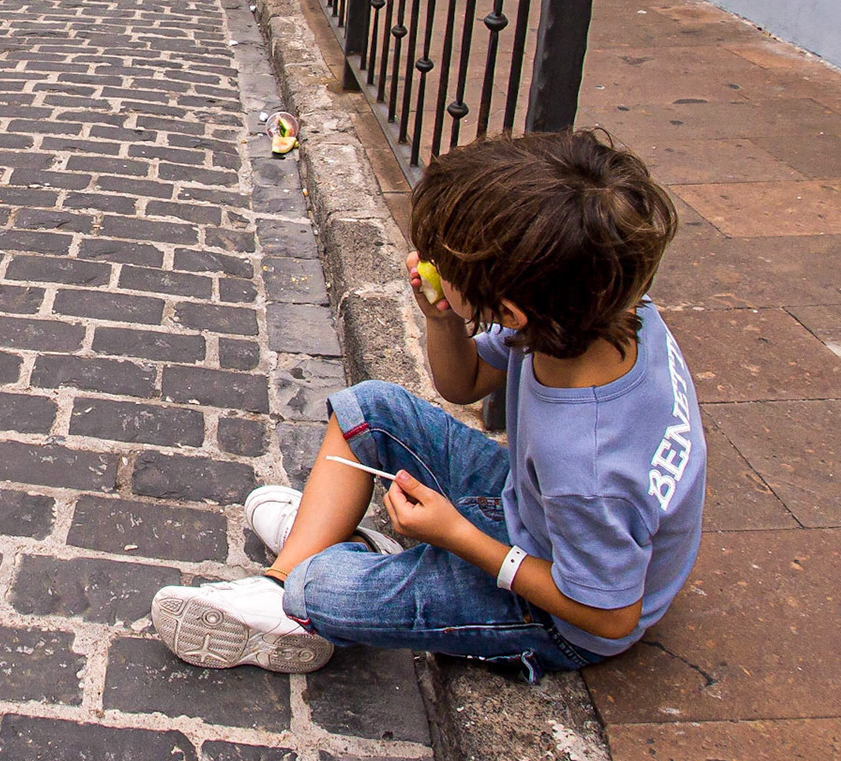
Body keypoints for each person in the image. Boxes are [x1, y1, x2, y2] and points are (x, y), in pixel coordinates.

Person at [150, 130, 701, 684]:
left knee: (322, 588)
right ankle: (296, 564)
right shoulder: (599, 312)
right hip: (534, 507)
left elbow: (610, 615)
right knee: (370, 407)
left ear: (509, 312)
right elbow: (462, 385)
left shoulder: (587, 463)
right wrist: (443, 317)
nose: (425, 262)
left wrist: (459, 537)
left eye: (445, 265)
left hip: (556, 611)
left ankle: (300, 592)